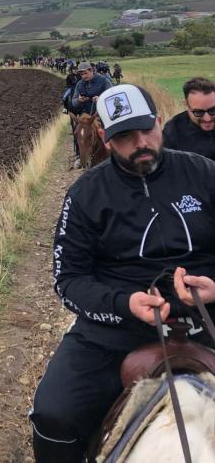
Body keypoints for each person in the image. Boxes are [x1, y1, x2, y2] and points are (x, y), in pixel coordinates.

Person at [30, 83, 215, 462]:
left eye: (147, 129)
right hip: (116, 328)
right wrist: (125, 303)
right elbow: (68, 281)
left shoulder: (205, 173)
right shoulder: (85, 195)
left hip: (208, 314)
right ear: (104, 138)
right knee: (53, 416)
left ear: (160, 122)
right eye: (125, 136)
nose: (141, 142)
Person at [162, 76, 215, 161]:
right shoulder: (173, 130)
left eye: (213, 110)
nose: (207, 118)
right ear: (186, 105)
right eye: (198, 112)